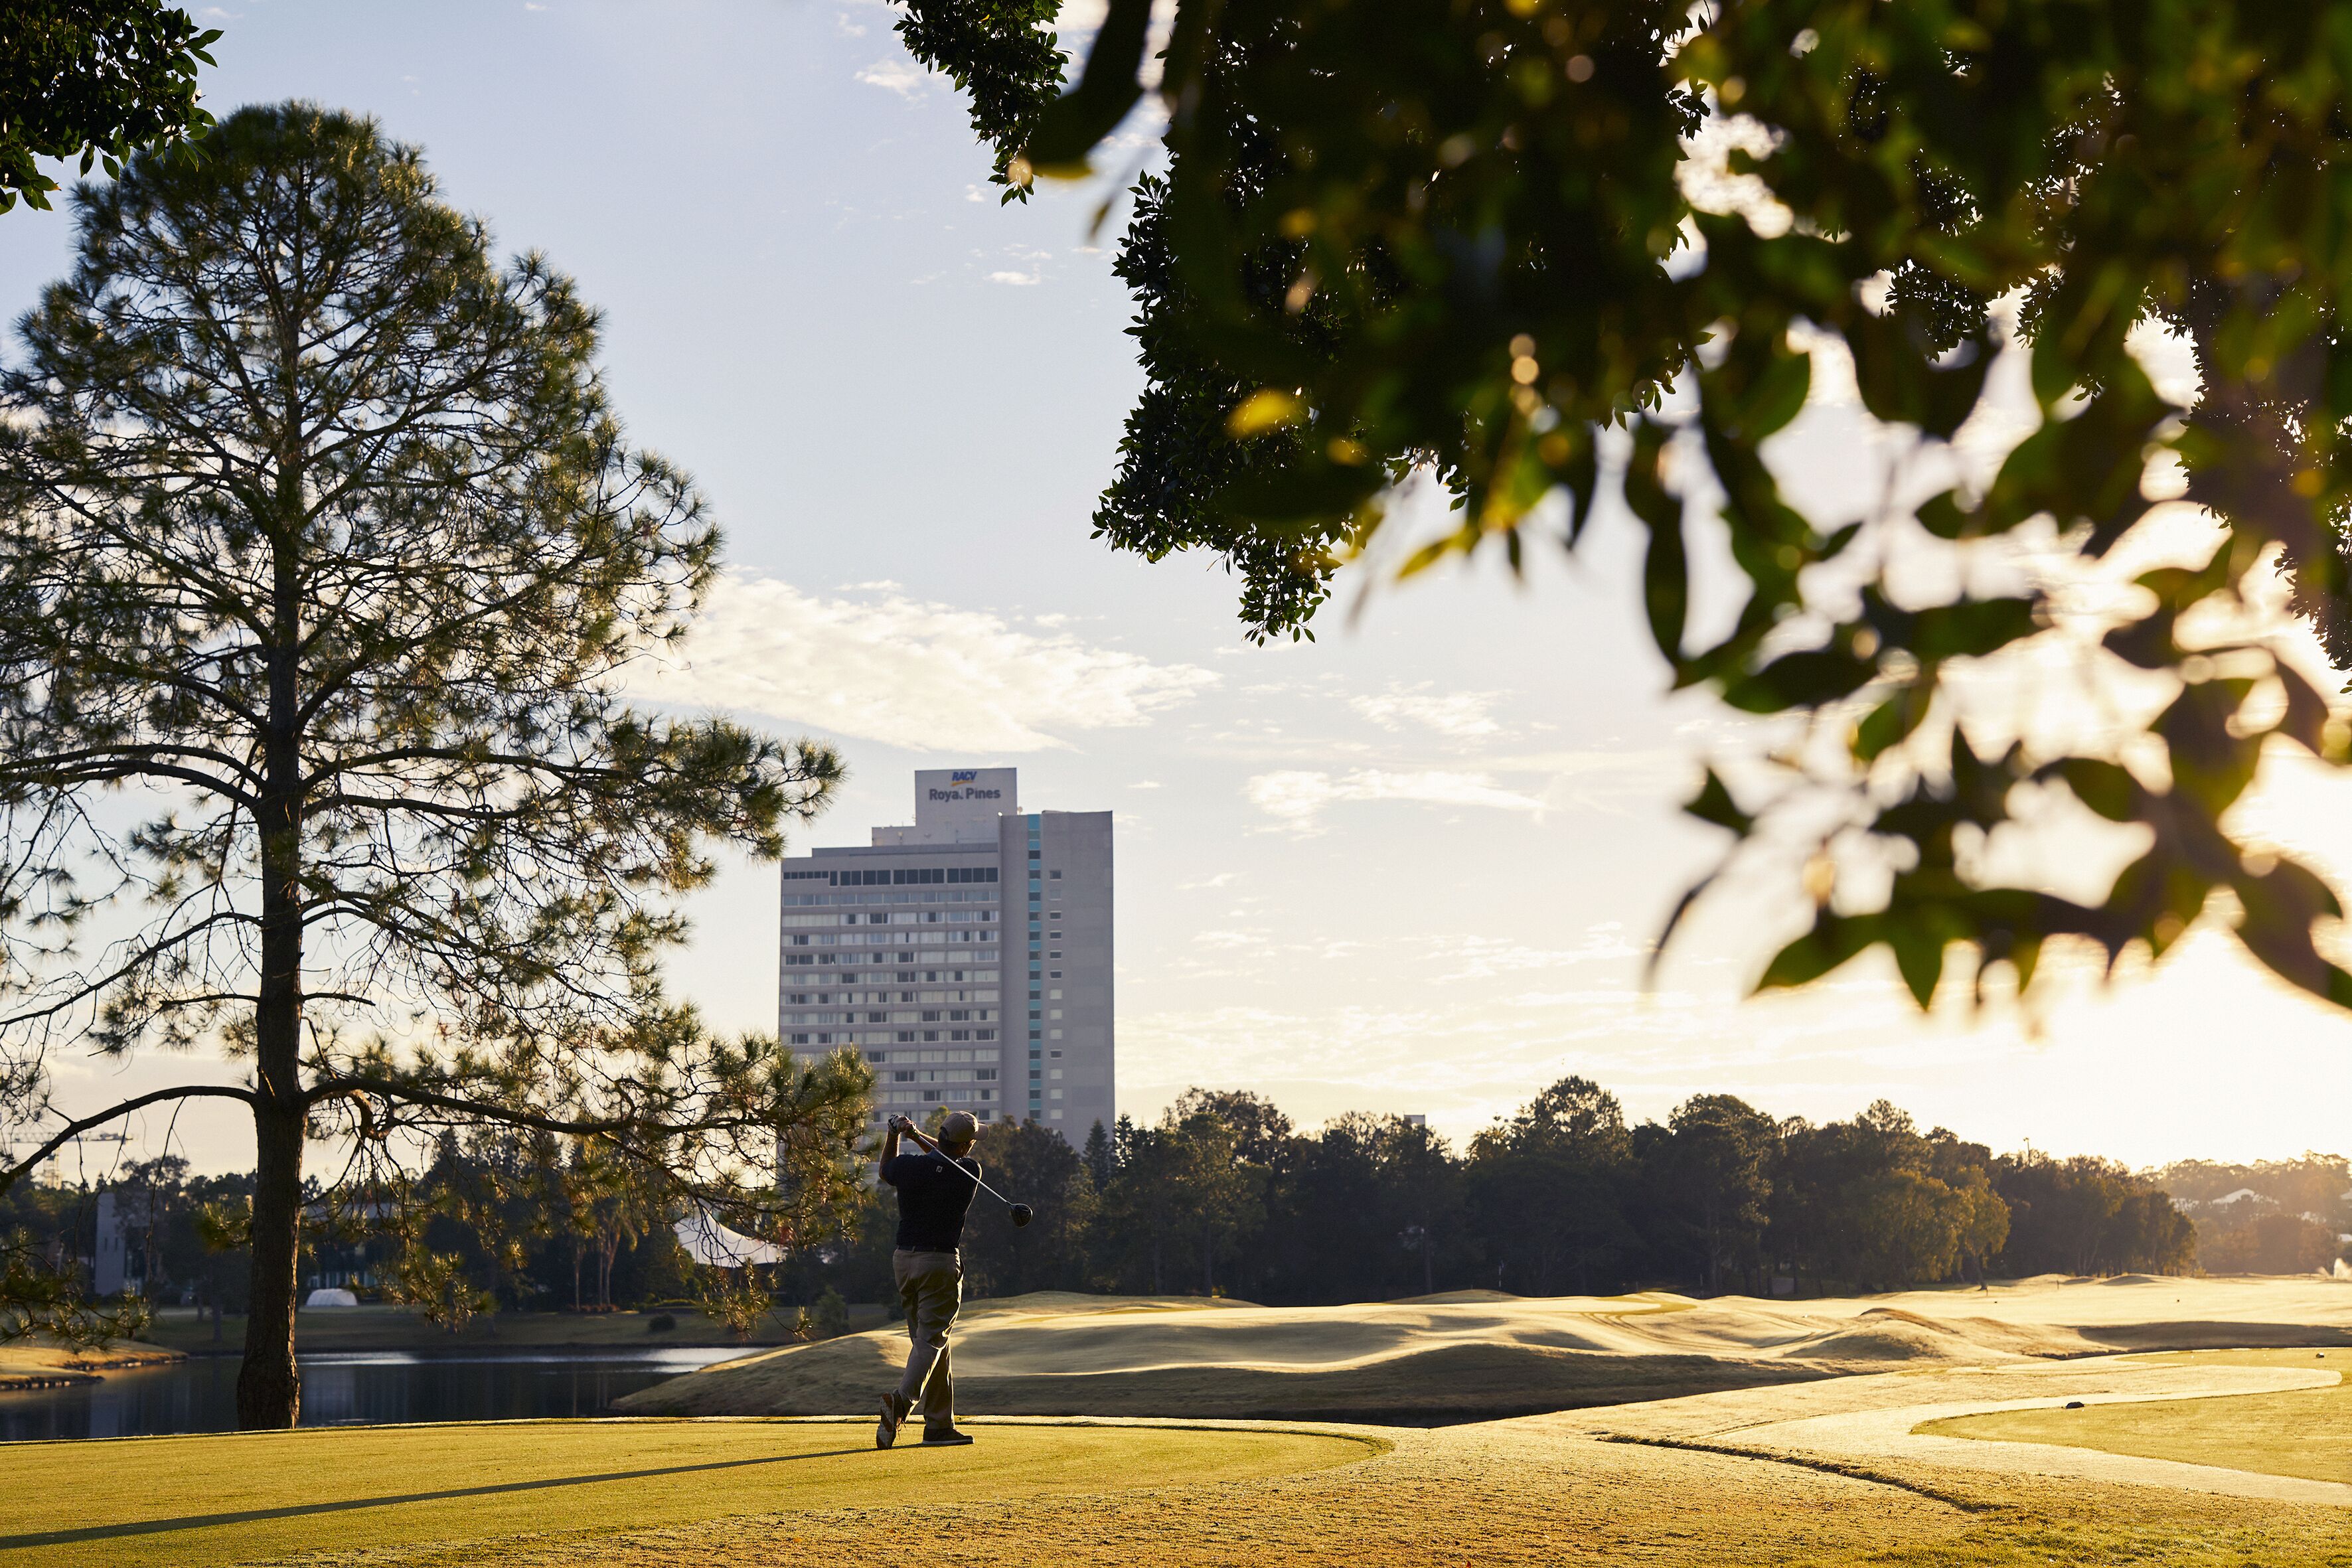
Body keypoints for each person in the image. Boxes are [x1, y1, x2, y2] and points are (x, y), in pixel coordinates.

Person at [876, 1110, 981, 1449]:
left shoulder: (909, 1167)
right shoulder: (970, 1171)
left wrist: (896, 1134)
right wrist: (916, 1136)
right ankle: (901, 1403)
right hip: (939, 1262)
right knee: (932, 1341)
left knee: (931, 1344)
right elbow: (946, 1158)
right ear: (966, 1146)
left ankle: (939, 1425)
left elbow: (885, 1170)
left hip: (903, 1261)